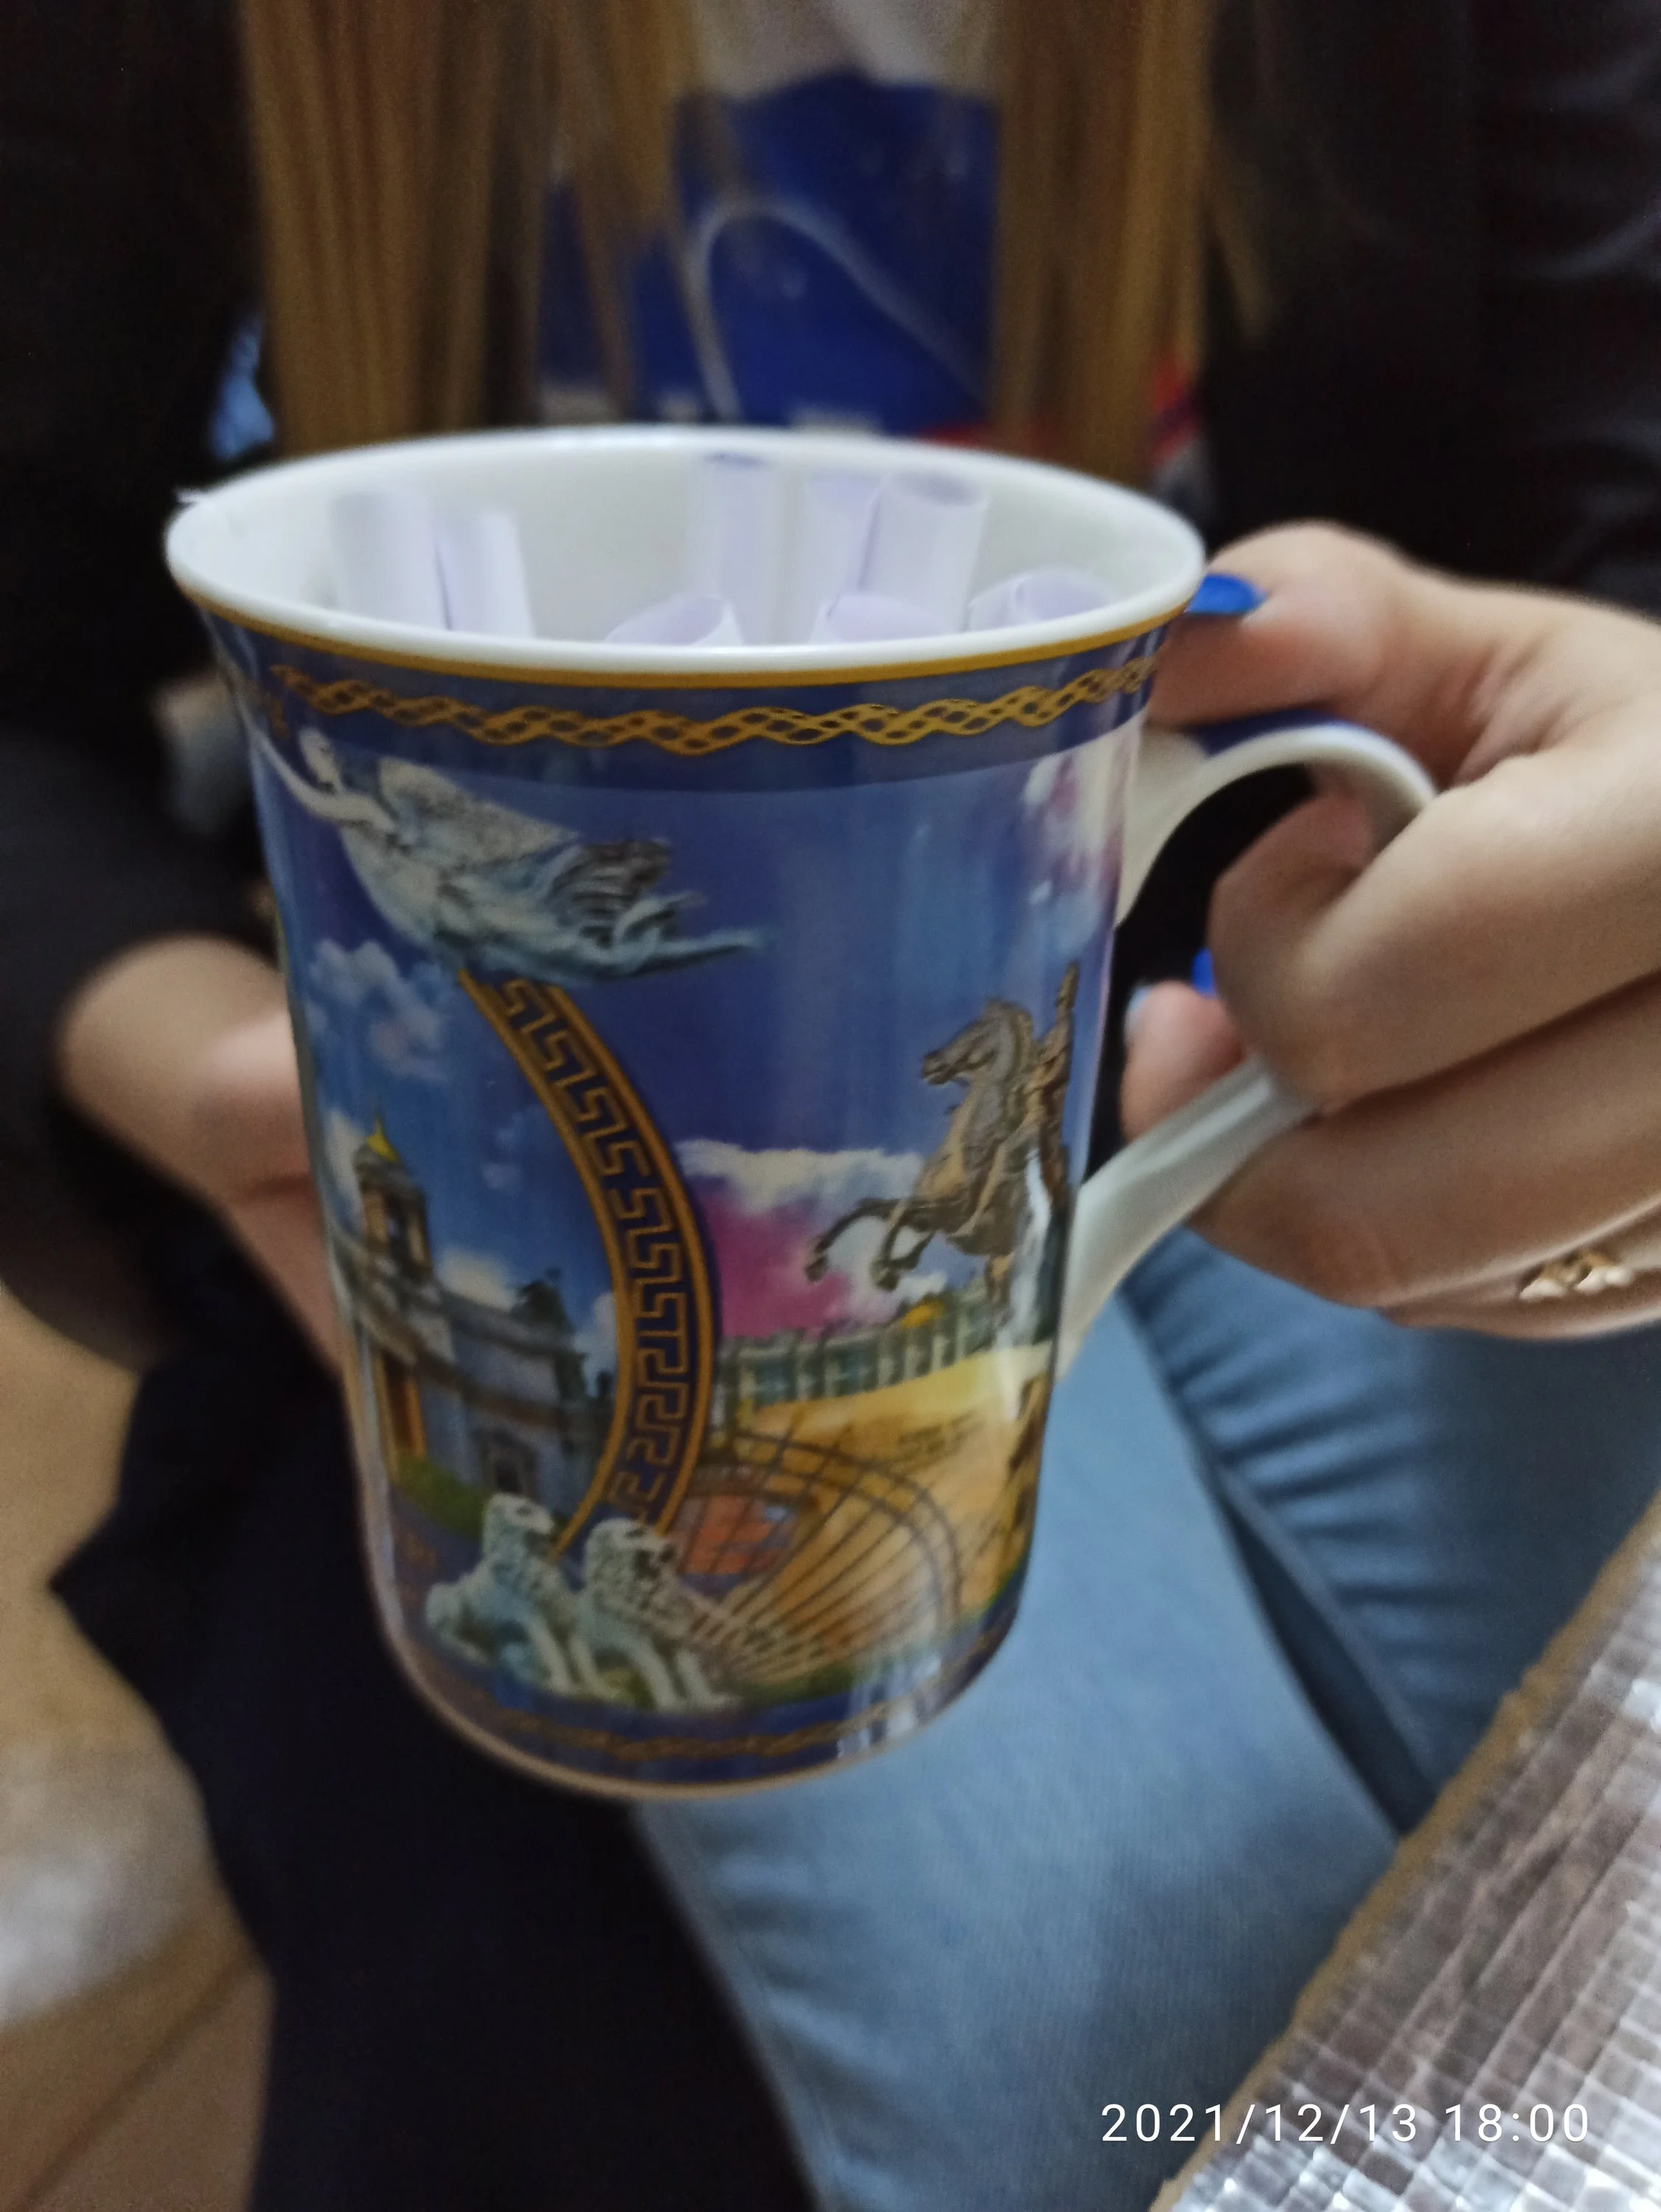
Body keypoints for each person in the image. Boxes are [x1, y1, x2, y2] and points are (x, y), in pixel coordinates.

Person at [7, 3, 1661, 2206]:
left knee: (1559, 1834)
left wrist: (1595, 875)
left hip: (1233, 1049)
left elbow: (1600, 541)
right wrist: (221, 1064)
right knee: (1069, 2058)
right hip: (485, 1216)